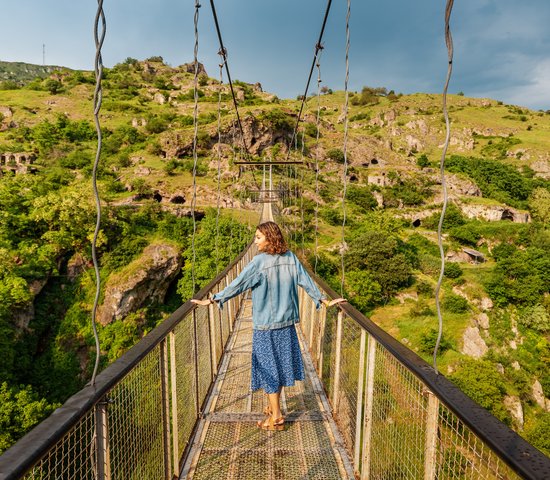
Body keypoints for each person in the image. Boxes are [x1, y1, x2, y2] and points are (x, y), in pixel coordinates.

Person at [192, 221, 345, 431]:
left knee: (268, 370)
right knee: (279, 367)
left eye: (258, 237)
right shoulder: (291, 258)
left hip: (265, 326)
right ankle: (273, 408)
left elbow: (239, 284)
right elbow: (307, 281)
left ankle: (277, 417)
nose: (255, 242)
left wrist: (214, 299)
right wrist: (323, 300)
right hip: (287, 323)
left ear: (269, 238)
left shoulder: (259, 262)